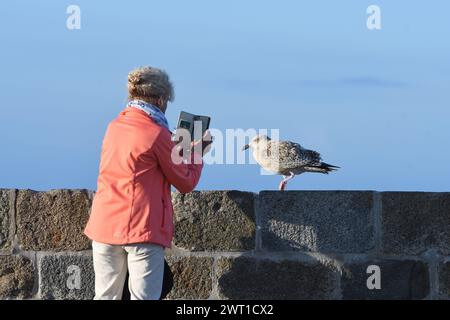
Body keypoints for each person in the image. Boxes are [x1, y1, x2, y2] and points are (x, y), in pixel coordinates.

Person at [84, 66, 211, 300]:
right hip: (141, 229)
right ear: (161, 99)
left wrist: (174, 149)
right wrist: (197, 154)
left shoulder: (114, 127)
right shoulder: (157, 134)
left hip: (104, 225)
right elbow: (185, 181)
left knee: (105, 296)